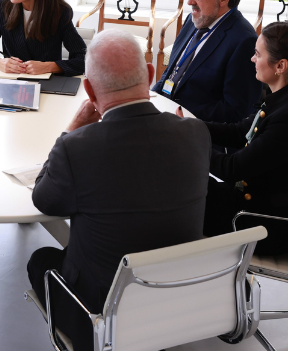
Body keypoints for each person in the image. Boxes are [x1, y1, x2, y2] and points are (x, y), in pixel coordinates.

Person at [27, 29, 211, 350]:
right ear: (150, 74)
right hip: (179, 303)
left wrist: (71, 131)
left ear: (88, 88)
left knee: (41, 259)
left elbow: (43, 199)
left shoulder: (78, 148)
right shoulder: (196, 132)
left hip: (102, 318)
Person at [178, 22, 288, 255]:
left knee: (176, 193)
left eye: (257, 54)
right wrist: (190, 126)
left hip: (257, 220)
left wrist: (189, 143)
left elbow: (233, 168)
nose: (252, 59)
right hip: (252, 204)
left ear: (280, 65)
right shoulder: (279, 99)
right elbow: (239, 131)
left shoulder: (284, 117)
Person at [152, 0, 261, 123]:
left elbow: (237, 111)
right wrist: (149, 99)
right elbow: (171, 73)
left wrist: (179, 113)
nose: (189, 1)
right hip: (166, 115)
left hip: (198, 130)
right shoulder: (193, 20)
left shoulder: (244, 41)